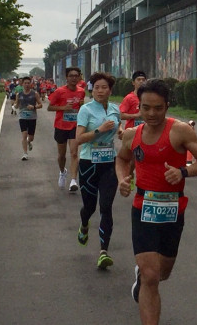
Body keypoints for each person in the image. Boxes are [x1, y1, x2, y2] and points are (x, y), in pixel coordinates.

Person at [115, 78, 197, 325]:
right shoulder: (132, 135)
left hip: (172, 209)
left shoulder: (179, 130)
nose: (151, 113)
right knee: (151, 275)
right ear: (140, 106)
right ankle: (144, 280)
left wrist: (183, 172)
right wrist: (123, 179)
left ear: (167, 106)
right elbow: (122, 159)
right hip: (143, 208)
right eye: (146, 108)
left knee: (162, 273)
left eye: (158, 108)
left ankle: (144, 276)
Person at [74, 72, 120, 269]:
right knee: (90, 207)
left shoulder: (115, 109)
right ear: (91, 89)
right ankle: (84, 224)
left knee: (106, 207)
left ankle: (103, 252)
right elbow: (79, 138)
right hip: (88, 164)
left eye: (104, 87)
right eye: (97, 87)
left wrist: (123, 134)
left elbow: (118, 131)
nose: (100, 91)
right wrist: (100, 130)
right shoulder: (85, 110)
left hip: (109, 163)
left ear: (110, 90)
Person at [46, 67, 86, 191]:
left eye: (76, 76)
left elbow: (81, 106)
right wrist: (63, 108)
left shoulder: (81, 91)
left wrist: (81, 106)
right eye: (71, 76)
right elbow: (50, 107)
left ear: (79, 77)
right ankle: (62, 171)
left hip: (75, 126)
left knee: (74, 153)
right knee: (61, 155)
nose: (74, 78)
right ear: (67, 78)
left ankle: (73, 180)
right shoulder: (59, 91)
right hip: (61, 126)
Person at [14, 76, 42, 160]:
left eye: (28, 83)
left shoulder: (35, 94)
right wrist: (15, 106)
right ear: (22, 84)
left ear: (31, 84)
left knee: (31, 137)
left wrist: (34, 107)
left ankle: (29, 142)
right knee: (24, 135)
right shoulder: (19, 94)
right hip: (22, 117)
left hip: (32, 118)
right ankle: (25, 153)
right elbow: (16, 104)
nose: (26, 85)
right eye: (25, 83)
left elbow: (40, 105)